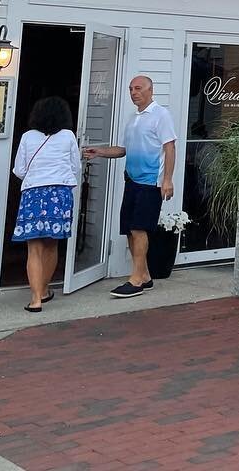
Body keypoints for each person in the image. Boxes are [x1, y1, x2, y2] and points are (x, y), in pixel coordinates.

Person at [83, 75, 177, 298]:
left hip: (150, 182)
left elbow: (170, 147)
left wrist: (167, 179)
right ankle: (144, 276)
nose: (134, 92)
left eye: (138, 88)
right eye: (131, 89)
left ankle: (135, 280)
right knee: (129, 229)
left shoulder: (160, 115)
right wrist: (100, 152)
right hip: (132, 180)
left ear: (150, 91)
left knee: (139, 228)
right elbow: (123, 150)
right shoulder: (133, 118)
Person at [10, 97, 81, 312]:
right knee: (52, 244)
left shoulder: (27, 137)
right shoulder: (68, 136)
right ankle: (44, 289)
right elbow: (75, 167)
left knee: (34, 248)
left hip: (33, 193)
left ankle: (35, 299)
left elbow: (19, 170)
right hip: (59, 193)